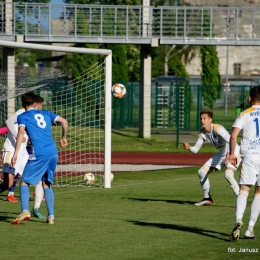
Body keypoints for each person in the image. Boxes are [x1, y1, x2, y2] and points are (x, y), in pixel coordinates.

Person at [11, 92, 68, 225]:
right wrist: (63, 137)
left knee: (24, 182)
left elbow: (20, 132)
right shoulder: (46, 113)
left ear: (23, 104)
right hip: (53, 152)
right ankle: (51, 216)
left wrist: (16, 152)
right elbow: (64, 122)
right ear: (35, 102)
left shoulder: (22, 116)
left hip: (39, 153)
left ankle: (25, 210)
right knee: (46, 183)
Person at [183, 110, 241, 206]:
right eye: (201, 118)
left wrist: (230, 154)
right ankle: (207, 198)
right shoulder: (202, 133)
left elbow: (231, 139)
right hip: (222, 154)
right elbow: (195, 150)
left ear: (210, 119)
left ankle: (241, 200)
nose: (202, 120)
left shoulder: (217, 128)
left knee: (228, 175)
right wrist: (189, 147)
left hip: (234, 152)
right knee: (201, 172)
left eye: (205, 118)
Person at [229, 86, 260, 242]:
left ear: (249, 99)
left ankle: (238, 220)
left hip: (249, 157)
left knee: (243, 191)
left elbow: (233, 136)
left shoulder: (244, 114)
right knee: (259, 193)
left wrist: (232, 154)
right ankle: (250, 229)